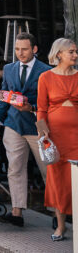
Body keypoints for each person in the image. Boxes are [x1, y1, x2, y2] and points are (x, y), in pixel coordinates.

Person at [0, 31, 49, 227]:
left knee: (48, 170)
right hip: (13, 125)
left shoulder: (46, 71)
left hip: (38, 126)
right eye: (17, 49)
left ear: (34, 49)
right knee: (15, 168)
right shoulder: (8, 69)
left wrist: (31, 107)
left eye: (24, 49)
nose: (20, 53)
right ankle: (17, 213)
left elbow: (51, 102)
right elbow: (4, 96)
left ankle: (59, 213)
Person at [37, 37, 78, 242]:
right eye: (71, 51)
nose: (75, 55)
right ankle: (61, 227)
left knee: (76, 183)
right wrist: (43, 133)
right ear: (59, 54)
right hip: (56, 139)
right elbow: (41, 109)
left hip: (77, 139)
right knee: (59, 183)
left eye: (75, 51)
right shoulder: (45, 77)